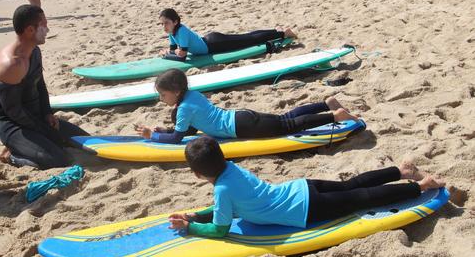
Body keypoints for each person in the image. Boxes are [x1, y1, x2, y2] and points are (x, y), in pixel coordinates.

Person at [167, 136, 445, 237]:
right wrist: (194, 215)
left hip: (304, 209)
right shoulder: (232, 170)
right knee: (352, 185)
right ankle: (401, 170)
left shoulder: (222, 190)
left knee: (363, 198)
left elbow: (220, 228)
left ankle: (420, 186)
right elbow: (224, 209)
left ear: (196, 174)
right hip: (301, 187)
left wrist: (192, 228)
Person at [134, 69, 359, 144]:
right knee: (285, 118)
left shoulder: (182, 109)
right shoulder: (192, 95)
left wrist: (151, 135)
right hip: (241, 116)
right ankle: (325, 103)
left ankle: (335, 116)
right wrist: (164, 130)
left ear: (175, 91)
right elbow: (190, 130)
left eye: (163, 95)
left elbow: (177, 139)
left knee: (289, 126)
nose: (162, 99)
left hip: (240, 128)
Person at [0, 5, 90, 169]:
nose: (48, 29)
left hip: (36, 117)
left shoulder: (33, 50)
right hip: (14, 126)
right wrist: (45, 130)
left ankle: (37, 142)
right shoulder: (12, 65)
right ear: (30, 30)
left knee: (85, 142)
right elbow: (14, 112)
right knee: (58, 160)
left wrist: (47, 113)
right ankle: (12, 154)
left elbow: (40, 85)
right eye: (44, 25)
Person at [158, 8, 296, 61]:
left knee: (248, 39)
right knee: (246, 37)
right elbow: (173, 51)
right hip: (210, 40)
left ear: (175, 21)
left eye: (166, 23)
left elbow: (181, 55)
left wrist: (169, 54)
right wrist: (168, 53)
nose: (164, 26)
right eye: (162, 24)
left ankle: (283, 33)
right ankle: (276, 30)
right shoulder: (172, 32)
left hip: (215, 44)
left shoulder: (181, 31)